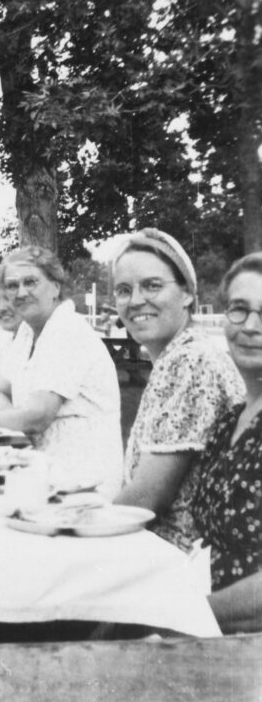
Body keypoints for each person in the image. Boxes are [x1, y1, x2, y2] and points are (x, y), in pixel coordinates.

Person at [112, 228, 244, 552]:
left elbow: (146, 498)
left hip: (182, 566)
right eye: (124, 290)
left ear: (187, 293)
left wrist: (75, 526)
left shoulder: (190, 360)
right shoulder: (180, 355)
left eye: (152, 285)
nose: (136, 300)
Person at [0, 246, 123, 499]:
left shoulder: (66, 331)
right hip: (44, 469)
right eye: (12, 286)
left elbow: (37, 417)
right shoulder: (29, 330)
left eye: (31, 282)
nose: (21, 292)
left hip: (85, 482)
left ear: (56, 287)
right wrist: (14, 418)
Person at [192, 253, 262, 633]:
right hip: (211, 622)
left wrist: (181, 614)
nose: (251, 326)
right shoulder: (229, 421)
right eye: (239, 309)